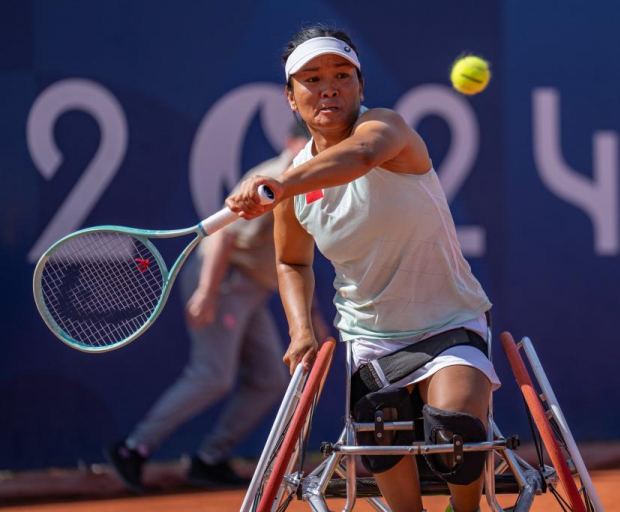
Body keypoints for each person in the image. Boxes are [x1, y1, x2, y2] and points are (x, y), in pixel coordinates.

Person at [226, 26, 499, 512]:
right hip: (371, 339)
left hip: (451, 323)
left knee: (453, 425)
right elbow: (291, 261)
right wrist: (299, 329)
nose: (328, 86)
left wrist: (281, 183)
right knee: (377, 427)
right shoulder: (293, 187)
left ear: (360, 86)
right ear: (290, 98)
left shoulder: (385, 129)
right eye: (311, 79)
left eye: (341, 75)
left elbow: (359, 156)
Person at [105, 124, 326, 494]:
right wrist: (208, 291)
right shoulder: (273, 179)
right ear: (290, 143)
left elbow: (297, 255)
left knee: (271, 378)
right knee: (212, 374)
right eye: (307, 140)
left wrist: (314, 315)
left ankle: (210, 459)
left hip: (251, 289)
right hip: (225, 281)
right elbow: (223, 233)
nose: (314, 147)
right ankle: (132, 449)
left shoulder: (310, 184)